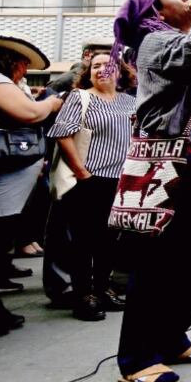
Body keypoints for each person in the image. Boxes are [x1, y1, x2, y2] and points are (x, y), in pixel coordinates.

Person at [112, 0, 191, 382]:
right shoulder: (154, 44)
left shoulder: (175, 44)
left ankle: (171, 338)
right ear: (153, 10)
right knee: (156, 262)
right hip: (169, 163)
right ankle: (136, 357)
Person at [0, 34, 63, 338]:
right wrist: (51, 103)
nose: (25, 71)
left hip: (1, 183)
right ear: (11, 62)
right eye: (24, 65)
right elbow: (30, 114)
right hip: (0, 185)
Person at [47, 52, 136, 321]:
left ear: (119, 72)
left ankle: (102, 289)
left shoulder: (131, 102)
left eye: (106, 65)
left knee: (109, 242)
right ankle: (84, 296)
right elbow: (62, 134)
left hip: (121, 181)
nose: (100, 70)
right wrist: (81, 172)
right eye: (94, 66)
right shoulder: (80, 97)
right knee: (84, 242)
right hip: (89, 179)